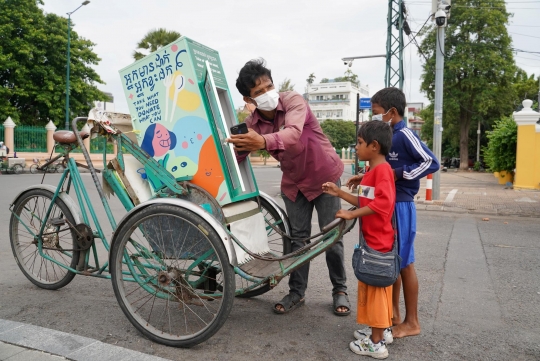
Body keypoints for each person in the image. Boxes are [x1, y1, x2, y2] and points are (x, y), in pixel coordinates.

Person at [227, 58, 350, 315]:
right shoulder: (252, 124)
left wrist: (260, 141)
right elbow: (238, 155)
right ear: (249, 100)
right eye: (258, 92)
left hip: (324, 177)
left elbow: (293, 134)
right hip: (294, 184)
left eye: (268, 87)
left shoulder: (293, 100)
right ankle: (297, 292)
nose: (267, 94)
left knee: (332, 237)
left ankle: (340, 290)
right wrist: (232, 146)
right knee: (297, 240)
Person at [349, 88, 439, 339]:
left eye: (376, 112)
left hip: (399, 205)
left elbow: (431, 162)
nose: (373, 116)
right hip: (387, 204)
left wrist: (396, 175)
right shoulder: (386, 134)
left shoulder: (404, 135)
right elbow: (382, 167)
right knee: (391, 262)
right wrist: (364, 177)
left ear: (392, 112)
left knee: (404, 263)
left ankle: (412, 322)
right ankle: (393, 315)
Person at [322, 120, 396, 359]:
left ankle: (376, 343)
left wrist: (351, 214)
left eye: (360, 142)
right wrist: (340, 192)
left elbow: (383, 205)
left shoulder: (382, 171)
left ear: (374, 146)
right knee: (373, 287)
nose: (356, 146)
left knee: (376, 290)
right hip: (372, 239)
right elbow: (366, 202)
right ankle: (379, 330)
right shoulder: (373, 172)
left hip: (378, 241)